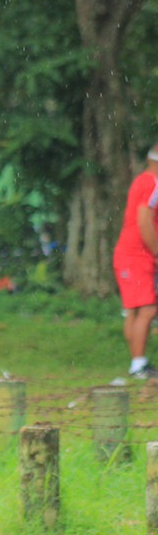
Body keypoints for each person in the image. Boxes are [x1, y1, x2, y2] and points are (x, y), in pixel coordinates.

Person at [113, 143, 158, 379]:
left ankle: (136, 362)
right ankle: (139, 365)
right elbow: (144, 222)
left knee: (134, 311)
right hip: (137, 255)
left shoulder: (143, 179)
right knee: (148, 309)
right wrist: (157, 252)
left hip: (129, 254)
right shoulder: (153, 183)